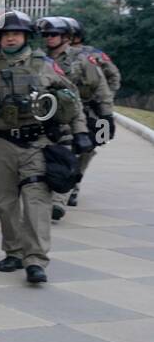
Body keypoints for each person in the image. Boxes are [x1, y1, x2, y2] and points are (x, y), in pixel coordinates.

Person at [0, 10, 89, 284]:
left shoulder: (46, 65)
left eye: (16, 33)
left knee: (37, 200)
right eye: (5, 34)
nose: (11, 38)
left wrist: (81, 132)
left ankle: (35, 260)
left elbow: (71, 99)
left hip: (37, 142)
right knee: (4, 201)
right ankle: (13, 251)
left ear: (26, 36)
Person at [40, 15, 114, 215]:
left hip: (80, 112)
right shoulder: (39, 59)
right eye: (46, 34)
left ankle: (61, 197)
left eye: (54, 34)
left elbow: (103, 86)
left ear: (66, 37)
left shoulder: (83, 59)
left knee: (81, 150)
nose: (49, 38)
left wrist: (106, 115)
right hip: (48, 114)